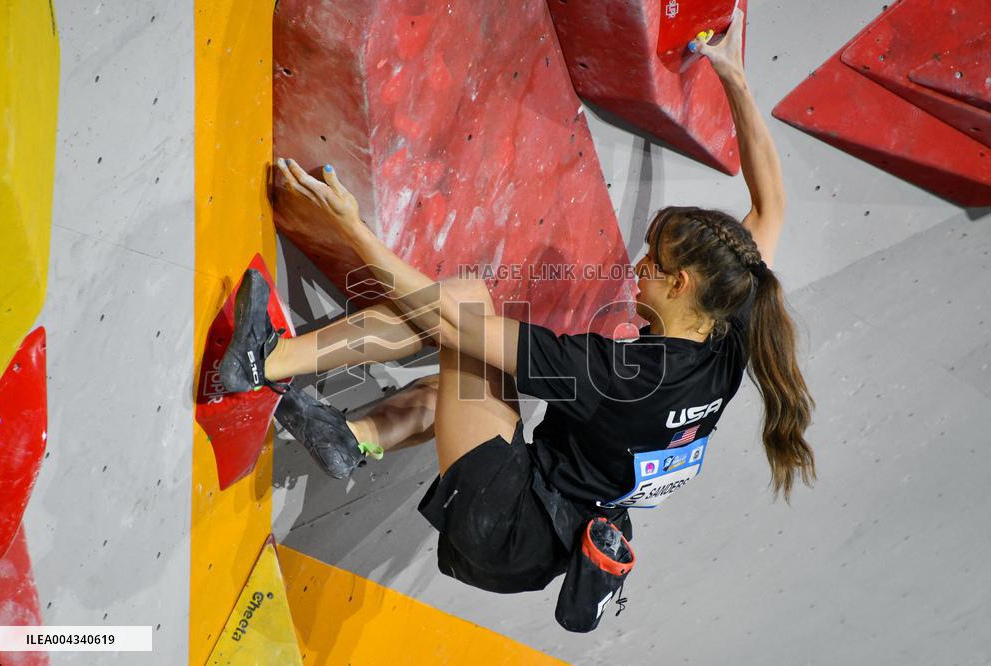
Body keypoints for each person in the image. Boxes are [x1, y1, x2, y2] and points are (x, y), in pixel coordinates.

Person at [219, 9, 815, 595]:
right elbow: (770, 208)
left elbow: (455, 320)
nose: (637, 268)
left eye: (652, 263)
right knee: (468, 384)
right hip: (555, 534)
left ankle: (265, 363)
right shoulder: (728, 331)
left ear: (682, 284)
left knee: (465, 307)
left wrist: (352, 229)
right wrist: (732, 74)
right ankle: (355, 438)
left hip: (505, 524)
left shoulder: (619, 375)